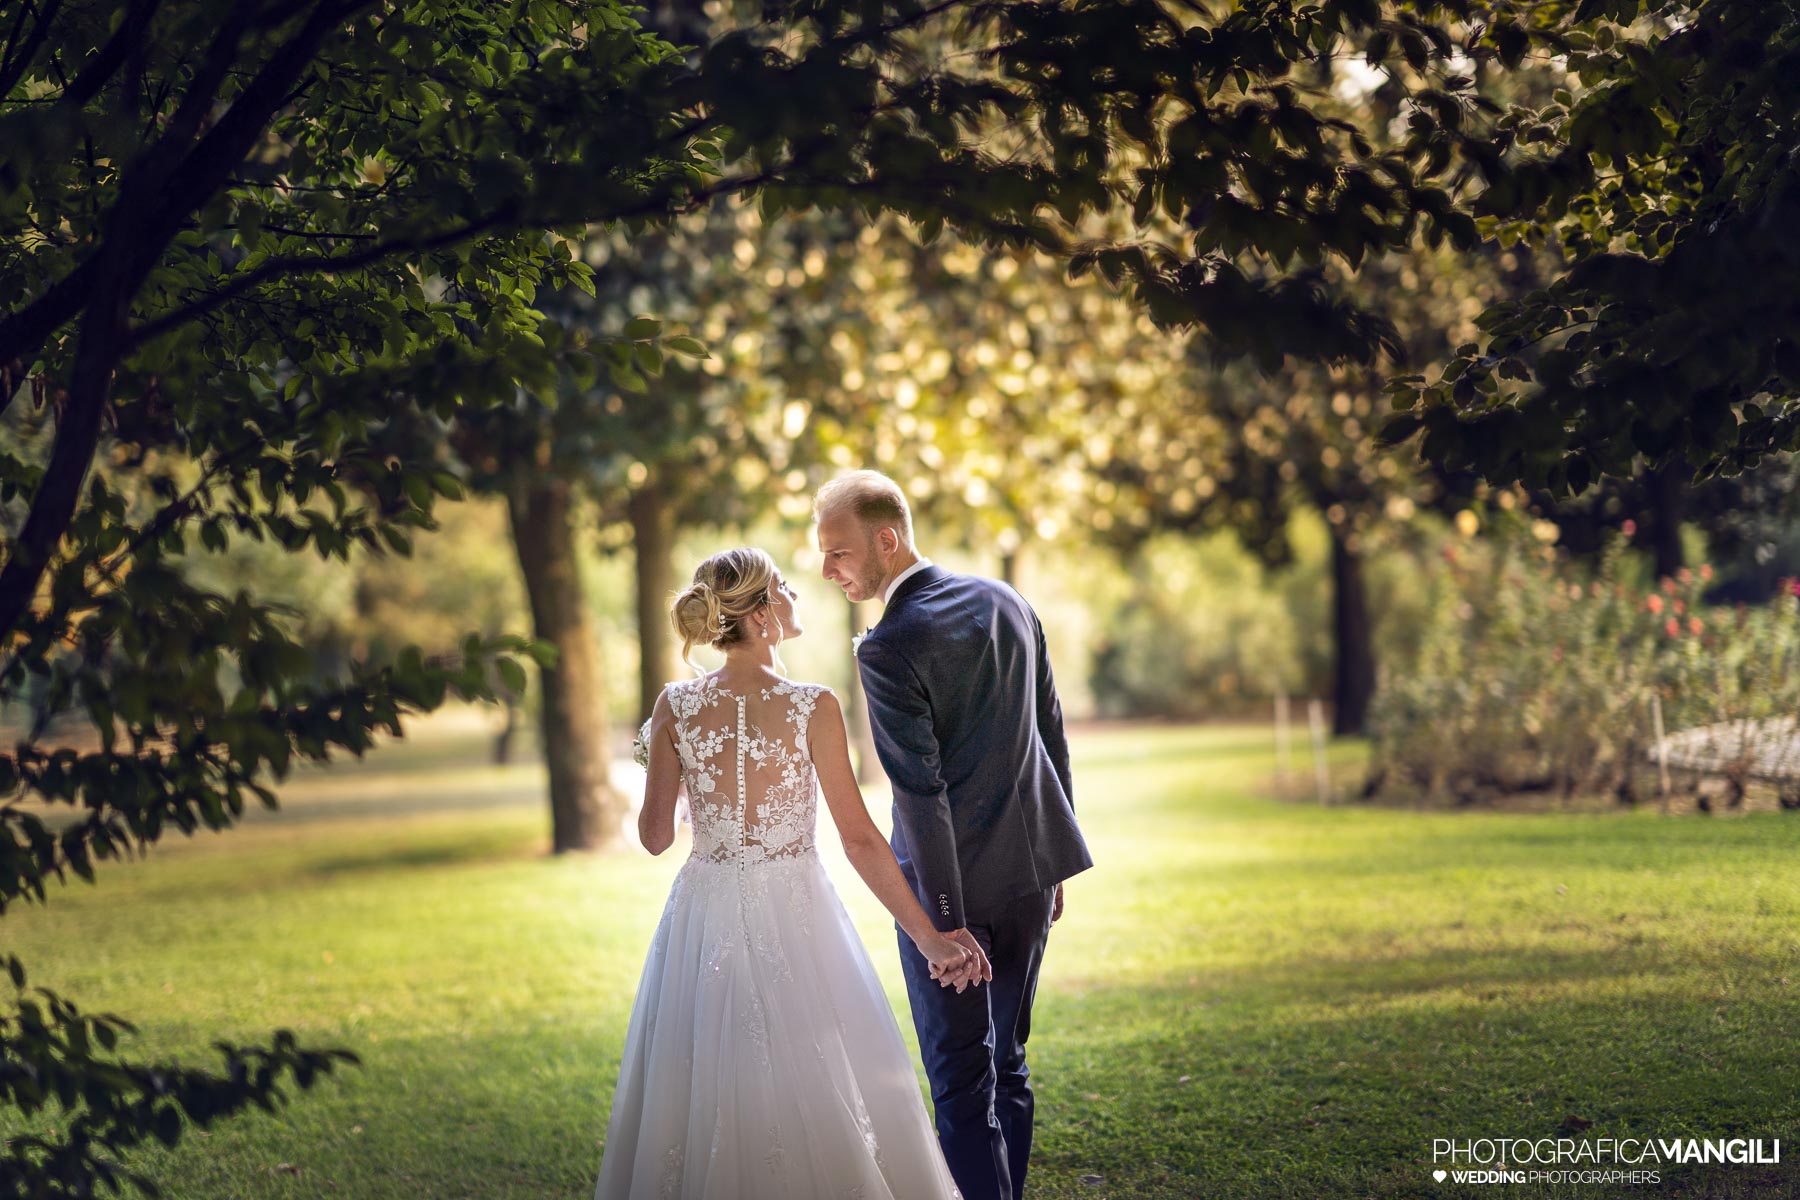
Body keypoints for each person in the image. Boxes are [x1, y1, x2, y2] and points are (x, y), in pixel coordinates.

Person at [594, 547, 982, 1200]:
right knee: (816, 1063)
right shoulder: (814, 705)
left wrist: (663, 758)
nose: (795, 595)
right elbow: (858, 839)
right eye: (783, 587)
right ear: (762, 612)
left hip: (703, 915)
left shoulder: (674, 706)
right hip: (799, 909)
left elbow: (655, 838)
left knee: (708, 1072)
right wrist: (930, 938)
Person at [814, 471, 1094, 1200]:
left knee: (961, 1087)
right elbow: (1051, 733)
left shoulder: (887, 647)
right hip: (1032, 877)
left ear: (887, 539)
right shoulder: (1007, 601)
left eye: (839, 552)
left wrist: (943, 922)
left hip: (951, 897)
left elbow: (921, 794)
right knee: (1009, 1065)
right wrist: (1055, 858)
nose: (828, 570)